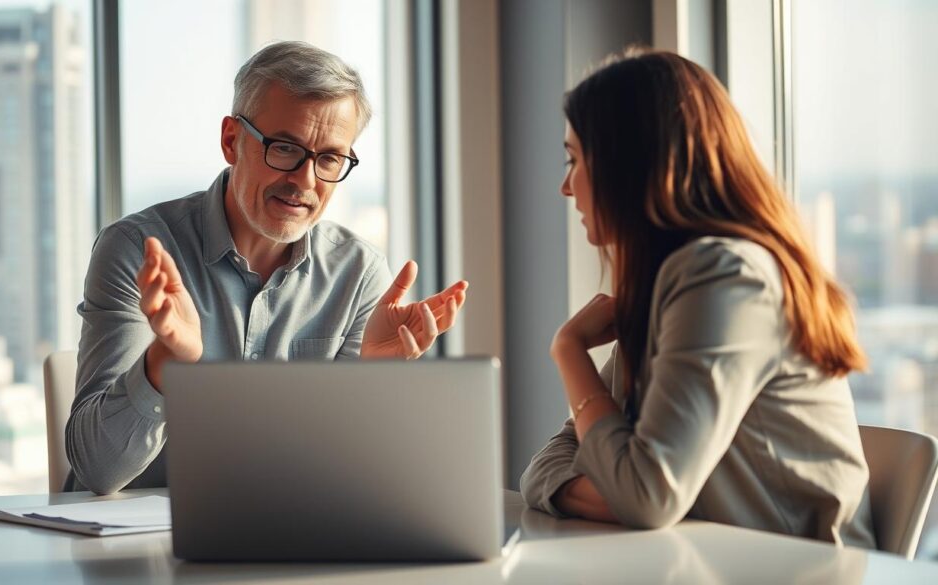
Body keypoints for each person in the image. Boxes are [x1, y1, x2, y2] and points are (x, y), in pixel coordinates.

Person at [66, 41, 468, 495]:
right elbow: (96, 471)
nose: (305, 181)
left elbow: (352, 484)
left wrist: (372, 388)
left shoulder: (359, 273)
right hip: (139, 554)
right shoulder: (138, 250)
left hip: (286, 548)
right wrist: (165, 363)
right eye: (285, 148)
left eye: (330, 158)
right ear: (232, 141)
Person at [520, 48, 875, 548]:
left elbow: (644, 496)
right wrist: (614, 490)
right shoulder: (673, 283)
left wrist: (568, 348)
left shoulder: (724, 278)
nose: (565, 186)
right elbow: (548, 466)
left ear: (632, 163)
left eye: (575, 160)